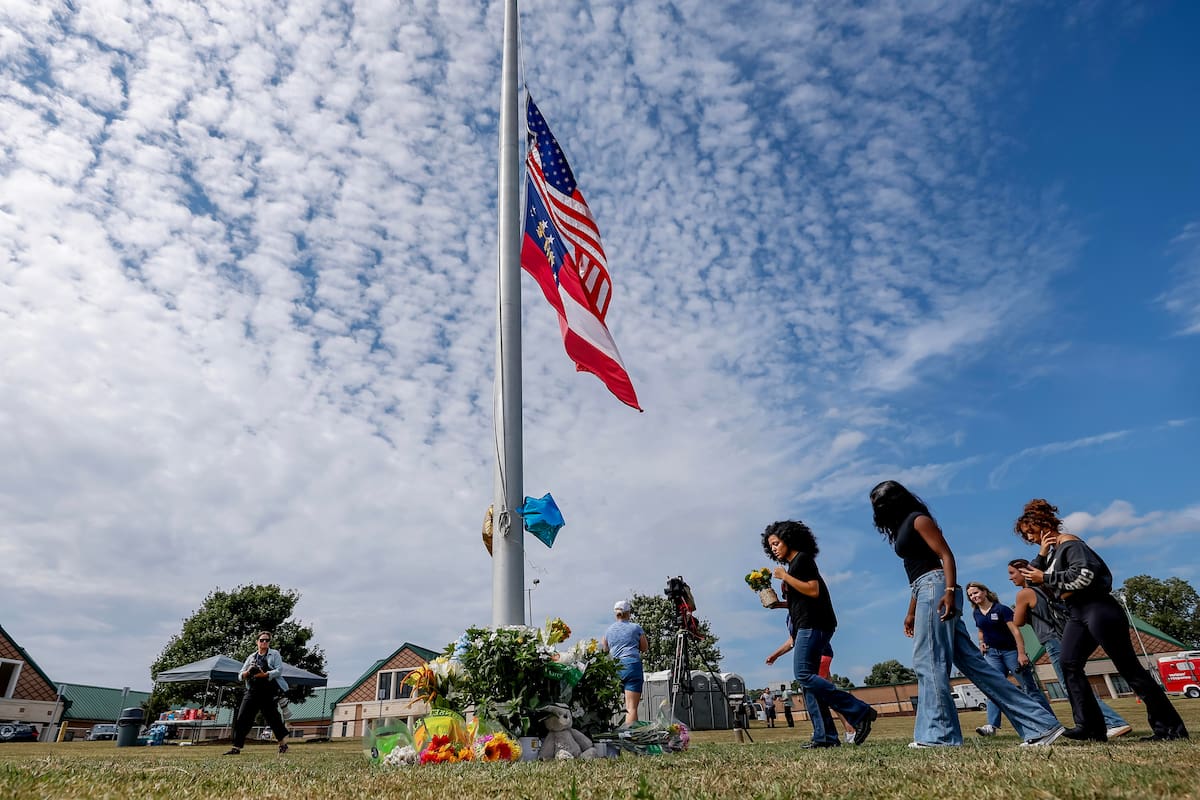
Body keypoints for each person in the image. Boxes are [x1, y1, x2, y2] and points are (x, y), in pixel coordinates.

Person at [869, 480, 1065, 748]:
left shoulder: (919, 520)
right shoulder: (903, 526)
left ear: (895, 500)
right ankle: (1041, 725)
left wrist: (949, 591)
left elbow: (945, 556)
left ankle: (940, 736)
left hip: (936, 587)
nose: (877, 509)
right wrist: (911, 612)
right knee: (975, 665)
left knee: (929, 661)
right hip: (924, 589)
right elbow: (916, 572)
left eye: (880, 503)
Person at [1015, 499, 1188, 742]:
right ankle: (1091, 727)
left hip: (1097, 606)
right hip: (1076, 612)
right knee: (1069, 664)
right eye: (1026, 536)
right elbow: (1032, 581)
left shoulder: (1071, 544)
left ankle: (1170, 728)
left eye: (1030, 533)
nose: (1029, 538)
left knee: (1128, 667)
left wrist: (1045, 575)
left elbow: (1084, 576)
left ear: (1044, 525)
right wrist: (1042, 554)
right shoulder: (1053, 552)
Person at [763, 520, 877, 747]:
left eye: (777, 543)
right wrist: (781, 605)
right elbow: (802, 599)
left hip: (813, 625)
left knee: (803, 675)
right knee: (808, 684)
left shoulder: (801, 560)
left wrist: (784, 577)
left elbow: (813, 590)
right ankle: (825, 737)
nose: (774, 548)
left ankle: (860, 711)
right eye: (771, 545)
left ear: (789, 539)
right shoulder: (794, 566)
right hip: (807, 623)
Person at [1006, 558, 1132, 739]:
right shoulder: (1047, 588)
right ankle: (1090, 724)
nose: (1011, 578)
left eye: (1012, 573)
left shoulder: (1024, 594)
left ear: (1024, 572)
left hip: (1051, 639)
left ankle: (1114, 721)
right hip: (1066, 635)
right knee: (1075, 683)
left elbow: (1018, 621)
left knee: (1071, 685)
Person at [965, 581, 1054, 737]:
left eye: (976, 592)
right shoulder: (976, 613)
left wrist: (1021, 653)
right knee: (994, 687)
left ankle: (1050, 720)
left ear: (985, 592)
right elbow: (981, 630)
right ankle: (991, 726)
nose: (974, 596)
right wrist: (981, 642)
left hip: (1011, 652)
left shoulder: (1001, 609)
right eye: (971, 595)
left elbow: (1016, 632)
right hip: (993, 654)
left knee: (1029, 687)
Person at [224, 631, 290, 755]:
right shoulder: (251, 657)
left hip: (267, 690)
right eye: (262, 640)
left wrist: (264, 674)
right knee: (242, 717)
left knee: (273, 718)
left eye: (267, 640)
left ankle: (283, 744)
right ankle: (236, 747)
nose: (264, 642)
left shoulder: (274, 654)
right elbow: (240, 675)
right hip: (252, 690)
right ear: (257, 642)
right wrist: (248, 672)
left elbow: (279, 670)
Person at [601, 599, 649, 727]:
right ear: (628, 613)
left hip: (616, 668)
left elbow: (605, 650)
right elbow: (644, 648)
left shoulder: (608, 631)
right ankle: (630, 736)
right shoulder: (635, 628)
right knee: (631, 707)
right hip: (632, 666)